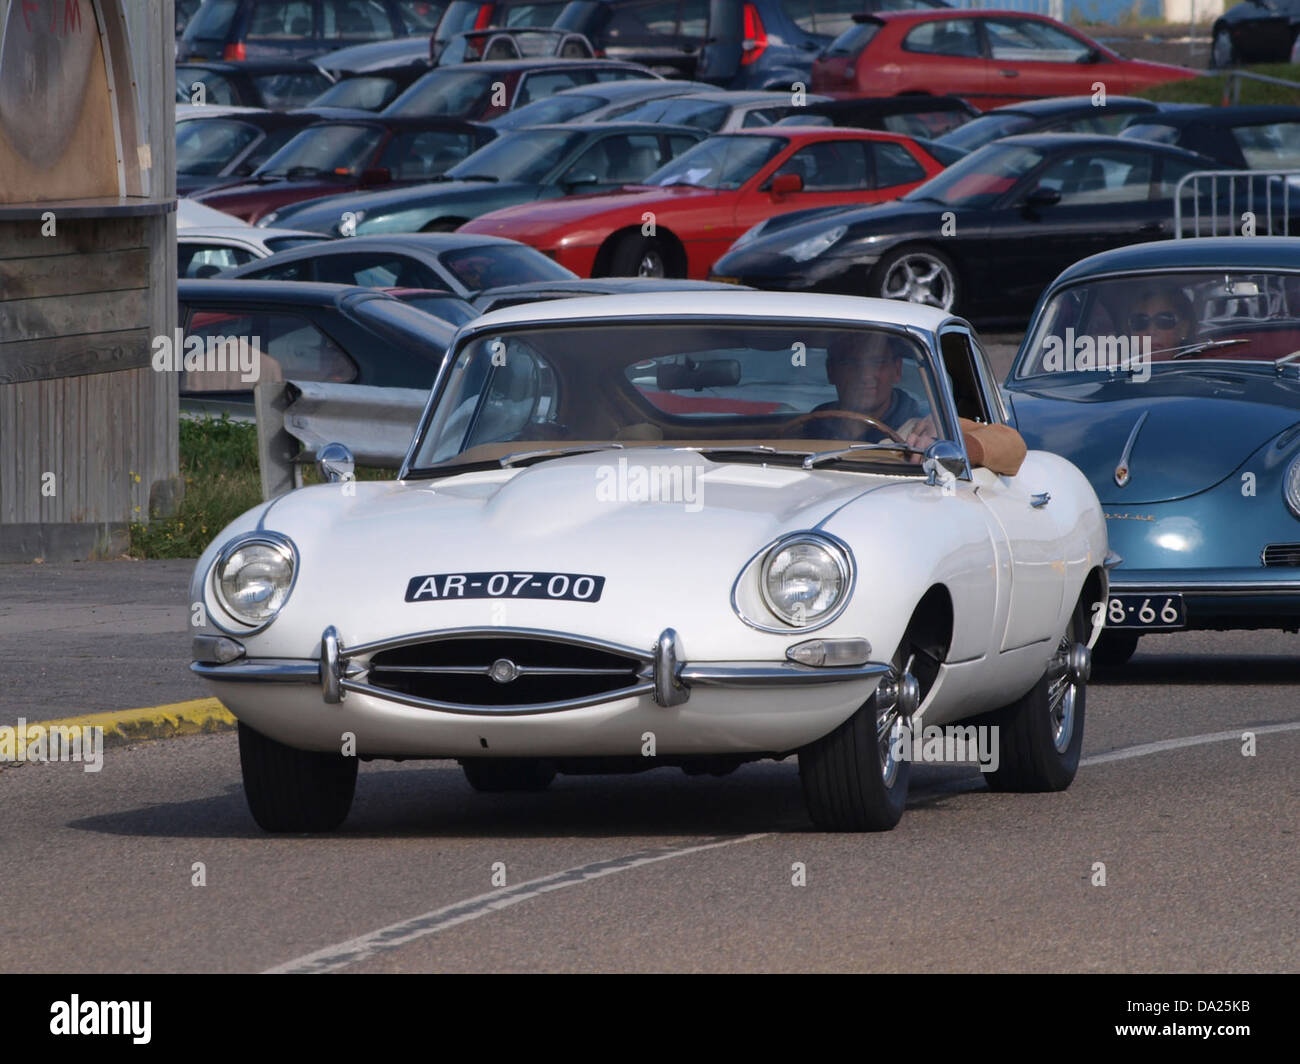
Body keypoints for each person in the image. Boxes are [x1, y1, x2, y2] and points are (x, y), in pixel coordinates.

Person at [807, 332, 1026, 476]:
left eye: (877, 363)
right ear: (831, 371)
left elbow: (1011, 444)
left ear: (897, 370)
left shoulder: (925, 422)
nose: (866, 375)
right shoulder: (811, 425)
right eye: (850, 363)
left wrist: (953, 446)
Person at [1128, 286, 1194, 357]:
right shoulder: (1118, 367)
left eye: (1164, 321)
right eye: (1140, 322)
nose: (1151, 332)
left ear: (1183, 329)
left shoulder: (1201, 364)